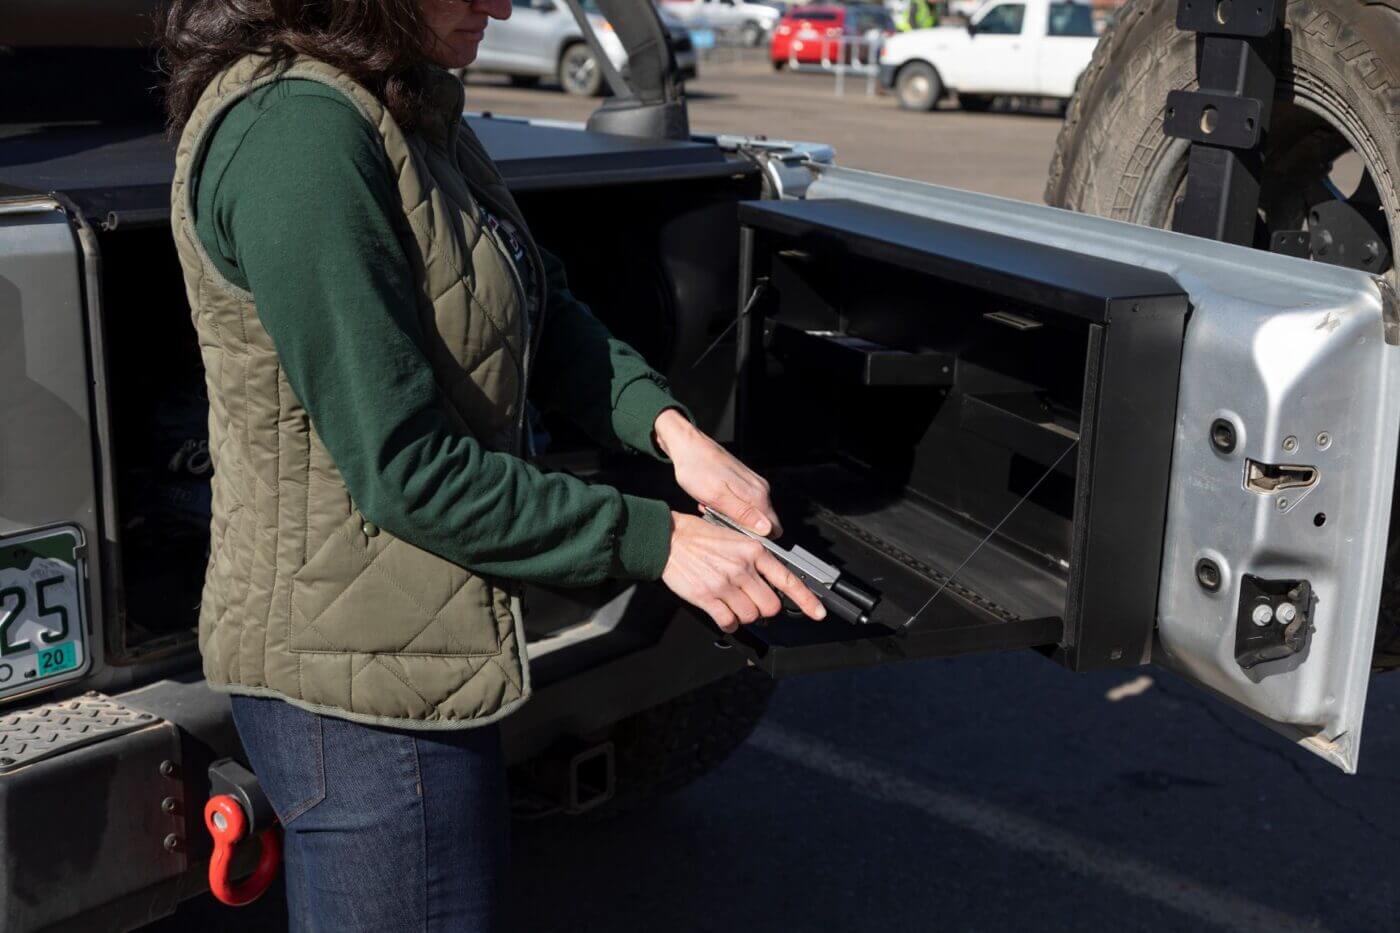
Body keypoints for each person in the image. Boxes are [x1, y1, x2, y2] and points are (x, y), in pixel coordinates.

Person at [158, 0, 825, 928]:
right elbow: (409, 470)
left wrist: (674, 433)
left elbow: (526, 289)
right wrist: (658, 540)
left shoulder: (401, 103)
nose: (502, 7)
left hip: (411, 651)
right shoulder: (298, 138)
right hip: (357, 695)